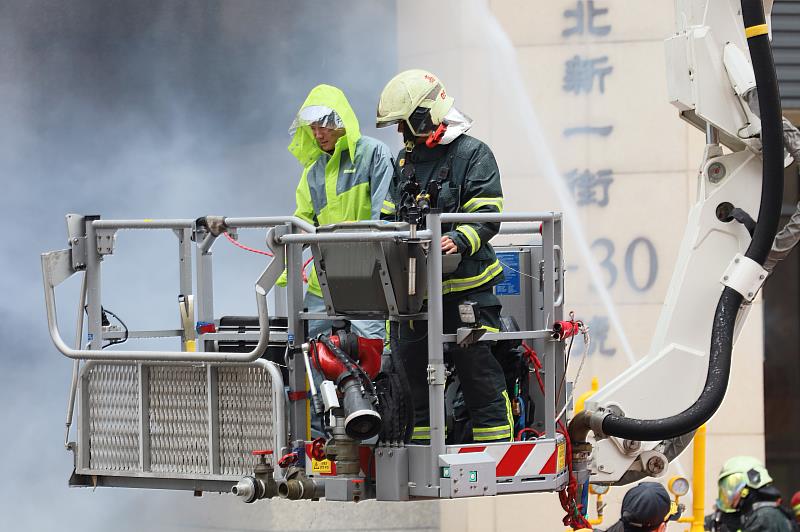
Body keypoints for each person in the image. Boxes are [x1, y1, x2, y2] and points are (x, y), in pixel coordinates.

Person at [376, 69, 512, 444]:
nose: (401, 134)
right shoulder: (405, 162)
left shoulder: (474, 154)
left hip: (467, 288)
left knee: (478, 370)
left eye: (404, 125)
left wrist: (458, 239)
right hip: (415, 292)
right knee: (410, 371)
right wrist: (386, 239)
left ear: (425, 115)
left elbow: (487, 213)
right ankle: (420, 445)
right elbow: (389, 214)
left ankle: (497, 447)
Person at [278, 84, 393, 340]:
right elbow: (303, 220)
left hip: (368, 276)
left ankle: (366, 383)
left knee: (372, 347)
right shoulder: (313, 171)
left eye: (324, 126)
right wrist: (286, 259)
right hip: (325, 278)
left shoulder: (373, 154)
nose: (318, 134)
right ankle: (326, 383)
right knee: (302, 344)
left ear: (342, 121)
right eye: (313, 128)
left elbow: (385, 216)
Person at [705, 456, 797, 531]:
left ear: (752, 482)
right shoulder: (756, 514)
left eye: (732, 485)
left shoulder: (766, 517)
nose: (728, 494)